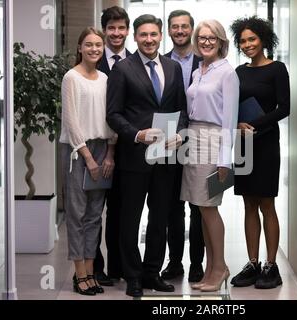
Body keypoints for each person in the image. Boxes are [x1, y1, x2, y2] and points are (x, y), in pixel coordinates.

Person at [106, 14, 188, 298]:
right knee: (130, 219)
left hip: (166, 155)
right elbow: (113, 114)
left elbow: (182, 109)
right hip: (135, 156)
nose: (149, 39)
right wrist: (137, 135)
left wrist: (180, 132)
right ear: (135, 37)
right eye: (143, 35)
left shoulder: (174, 68)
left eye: (153, 34)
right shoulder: (123, 69)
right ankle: (133, 276)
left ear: (160, 35)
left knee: (160, 218)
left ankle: (153, 273)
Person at [229, 16, 290, 289]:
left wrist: (254, 125)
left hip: (265, 143)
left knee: (267, 203)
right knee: (248, 203)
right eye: (242, 41)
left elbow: (284, 108)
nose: (247, 44)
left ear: (263, 39)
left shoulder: (277, 69)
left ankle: (271, 265)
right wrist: (236, 126)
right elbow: (230, 106)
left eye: (252, 39)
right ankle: (252, 263)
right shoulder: (238, 72)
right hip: (243, 143)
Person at [180, 19, 239, 292]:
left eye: (211, 38)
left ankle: (221, 267)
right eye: (202, 38)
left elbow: (230, 119)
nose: (206, 42)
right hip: (194, 139)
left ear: (221, 41)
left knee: (209, 207)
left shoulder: (227, 73)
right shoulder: (198, 71)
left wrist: (224, 160)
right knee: (201, 208)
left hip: (214, 142)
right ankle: (209, 267)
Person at [60, 27, 116, 295]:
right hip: (78, 151)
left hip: (103, 148)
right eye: (89, 44)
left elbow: (110, 117)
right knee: (77, 214)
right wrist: (88, 157)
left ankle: (91, 273)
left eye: (98, 45)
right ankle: (79, 274)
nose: (94, 49)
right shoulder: (71, 77)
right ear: (80, 47)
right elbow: (71, 122)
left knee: (95, 216)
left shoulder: (105, 78)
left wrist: (110, 153)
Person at [160, 9, 205, 283]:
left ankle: (197, 263)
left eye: (184, 26)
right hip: (170, 138)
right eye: (174, 27)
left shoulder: (207, 61)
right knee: (172, 206)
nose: (179, 31)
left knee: (199, 205)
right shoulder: (161, 61)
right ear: (169, 30)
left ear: (192, 29)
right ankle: (175, 262)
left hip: (201, 138)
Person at [93, 5, 131, 287]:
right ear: (105, 30)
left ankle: (117, 267)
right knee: (94, 211)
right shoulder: (92, 59)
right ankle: (94, 268)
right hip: (96, 149)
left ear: (127, 31)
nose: (116, 33)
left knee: (119, 210)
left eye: (121, 28)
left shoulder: (135, 61)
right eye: (111, 28)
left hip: (127, 150)